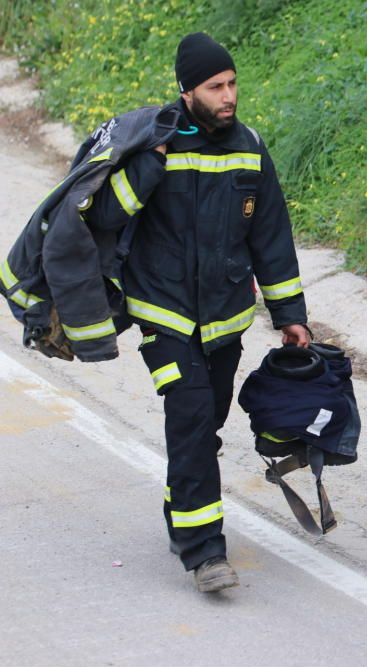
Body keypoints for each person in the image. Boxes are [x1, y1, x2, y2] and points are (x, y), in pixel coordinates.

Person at [83, 32, 310, 592]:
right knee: (188, 417)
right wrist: (147, 168)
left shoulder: (250, 146)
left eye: (232, 83)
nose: (229, 94)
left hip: (227, 319)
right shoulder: (152, 143)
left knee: (205, 424)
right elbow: (105, 215)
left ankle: (182, 499)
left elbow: (271, 237)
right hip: (164, 316)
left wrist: (290, 313)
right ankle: (204, 552)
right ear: (188, 92)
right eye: (216, 86)